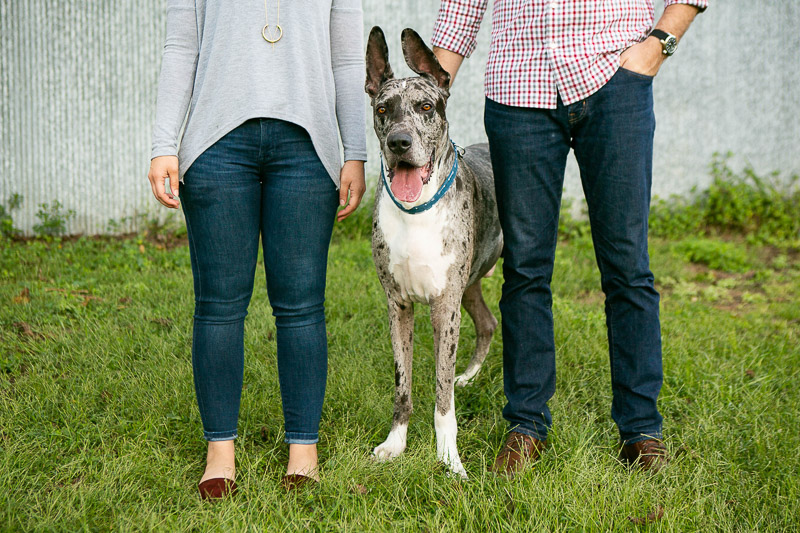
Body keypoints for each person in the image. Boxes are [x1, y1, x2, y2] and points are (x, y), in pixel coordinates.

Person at [431, 0, 707, 477]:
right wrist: (429, 90)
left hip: (614, 79)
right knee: (525, 267)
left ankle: (641, 429)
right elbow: (462, 6)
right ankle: (526, 425)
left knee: (627, 265)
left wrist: (658, 44)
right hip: (519, 88)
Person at [147, 0, 366, 498]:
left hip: (307, 146)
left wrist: (354, 150)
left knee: (301, 304)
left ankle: (303, 453)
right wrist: (164, 142)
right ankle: (219, 454)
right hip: (217, 144)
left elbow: (348, 60)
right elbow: (182, 45)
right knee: (219, 305)